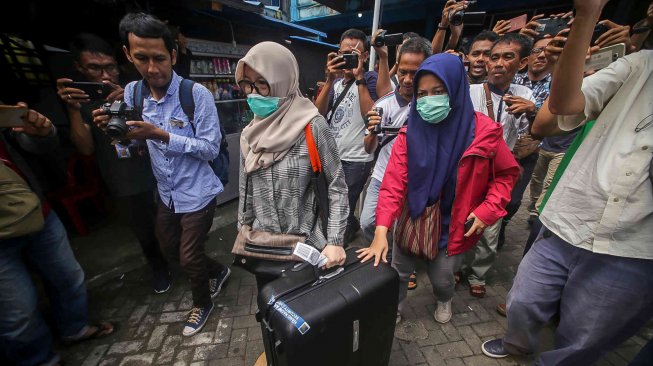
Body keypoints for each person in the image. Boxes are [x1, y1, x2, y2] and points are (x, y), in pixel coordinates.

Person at [481, 0, 653, 363]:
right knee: (524, 299)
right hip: (567, 219)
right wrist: (585, 20)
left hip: (634, 246)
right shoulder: (638, 66)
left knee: (586, 332)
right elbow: (562, 107)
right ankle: (517, 344)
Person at [94, 12, 230, 337]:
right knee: (169, 248)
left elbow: (210, 148)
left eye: (159, 58)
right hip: (166, 193)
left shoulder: (196, 95)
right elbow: (130, 147)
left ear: (173, 54)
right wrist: (117, 135)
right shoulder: (131, 94)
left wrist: (161, 134)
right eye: (142, 58)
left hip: (198, 191)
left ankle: (203, 302)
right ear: (128, 55)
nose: (152, 68)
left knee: (188, 255)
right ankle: (219, 270)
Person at [358, 53, 519, 325]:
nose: (429, 100)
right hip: (413, 217)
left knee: (442, 278)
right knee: (397, 272)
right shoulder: (410, 134)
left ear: (456, 89)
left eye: (438, 91)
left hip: (454, 224)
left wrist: (486, 211)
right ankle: (393, 308)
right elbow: (393, 184)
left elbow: (506, 176)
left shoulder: (485, 132)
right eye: (422, 94)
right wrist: (381, 232)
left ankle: (444, 299)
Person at [0, 103, 114, 366]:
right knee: (18, 311)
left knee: (68, 276)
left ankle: (74, 327)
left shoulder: (6, 125)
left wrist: (41, 132)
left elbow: (41, 147)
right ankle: (41, 360)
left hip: (36, 211)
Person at [55, 33, 169, 294]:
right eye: (94, 69)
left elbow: (163, 129)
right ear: (80, 69)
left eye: (110, 68)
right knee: (143, 230)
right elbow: (84, 147)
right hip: (123, 181)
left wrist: (129, 102)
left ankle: (188, 261)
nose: (104, 76)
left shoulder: (136, 92)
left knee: (173, 224)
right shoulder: (82, 104)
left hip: (157, 172)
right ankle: (158, 266)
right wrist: (73, 110)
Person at [236, 41, 348, 288]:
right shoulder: (249, 134)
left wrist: (335, 240)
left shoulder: (313, 127)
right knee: (271, 313)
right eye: (247, 85)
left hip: (305, 250)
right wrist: (243, 230)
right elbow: (246, 191)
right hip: (263, 248)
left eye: (262, 84)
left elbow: (337, 186)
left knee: (305, 317)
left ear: (283, 80)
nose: (253, 93)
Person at [461, 33, 536, 298]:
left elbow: (532, 134)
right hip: (469, 173)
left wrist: (531, 111)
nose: (498, 63)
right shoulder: (469, 92)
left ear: (522, 63)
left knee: (490, 232)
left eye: (508, 57)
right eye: (494, 57)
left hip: (499, 176)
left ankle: (477, 274)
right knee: (464, 222)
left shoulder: (524, 94)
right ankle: (461, 266)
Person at [360, 36, 432, 290]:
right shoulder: (384, 104)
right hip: (383, 176)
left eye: (416, 72)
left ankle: (403, 267)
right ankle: (387, 255)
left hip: (416, 180)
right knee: (368, 222)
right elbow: (368, 149)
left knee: (405, 228)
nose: (408, 79)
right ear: (397, 69)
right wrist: (370, 132)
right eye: (403, 72)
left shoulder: (432, 104)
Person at [314, 28, 378, 244]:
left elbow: (370, 115)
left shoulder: (371, 79)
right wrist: (330, 79)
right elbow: (318, 114)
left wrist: (359, 76)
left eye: (353, 54)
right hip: (333, 156)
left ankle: (340, 242)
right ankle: (348, 227)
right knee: (331, 202)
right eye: (343, 53)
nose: (347, 59)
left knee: (344, 204)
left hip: (357, 159)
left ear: (365, 56)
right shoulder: (336, 82)